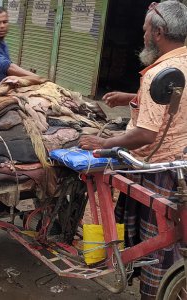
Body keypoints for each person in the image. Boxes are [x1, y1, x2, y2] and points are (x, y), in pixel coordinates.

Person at [79, 1, 187, 299]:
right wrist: (132, 98)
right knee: (174, 242)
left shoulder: (158, 72)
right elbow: (172, 105)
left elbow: (145, 133)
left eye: (144, 31)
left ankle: (149, 289)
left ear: (159, 32)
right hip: (181, 164)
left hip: (155, 170)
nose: (142, 36)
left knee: (156, 246)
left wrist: (103, 143)